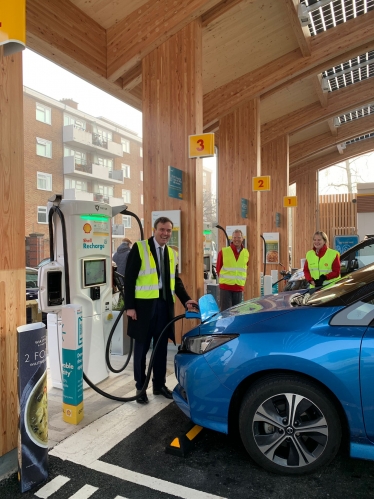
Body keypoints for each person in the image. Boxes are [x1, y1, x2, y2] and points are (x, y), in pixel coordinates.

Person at [124, 217, 198, 404]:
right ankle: (141, 388)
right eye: (162, 230)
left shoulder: (172, 253)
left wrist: (186, 299)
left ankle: (159, 385)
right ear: (154, 229)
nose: (165, 233)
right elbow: (129, 279)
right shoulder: (140, 248)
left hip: (164, 306)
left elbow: (176, 281)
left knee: (161, 348)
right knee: (141, 348)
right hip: (142, 309)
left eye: (168, 231)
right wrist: (130, 307)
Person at [216, 229, 249, 311]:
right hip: (225, 288)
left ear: (242, 239)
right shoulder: (223, 252)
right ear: (232, 239)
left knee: (237, 313)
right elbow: (218, 268)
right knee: (225, 313)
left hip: (238, 287)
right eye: (234, 237)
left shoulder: (246, 253)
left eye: (239, 237)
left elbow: (245, 267)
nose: (236, 239)